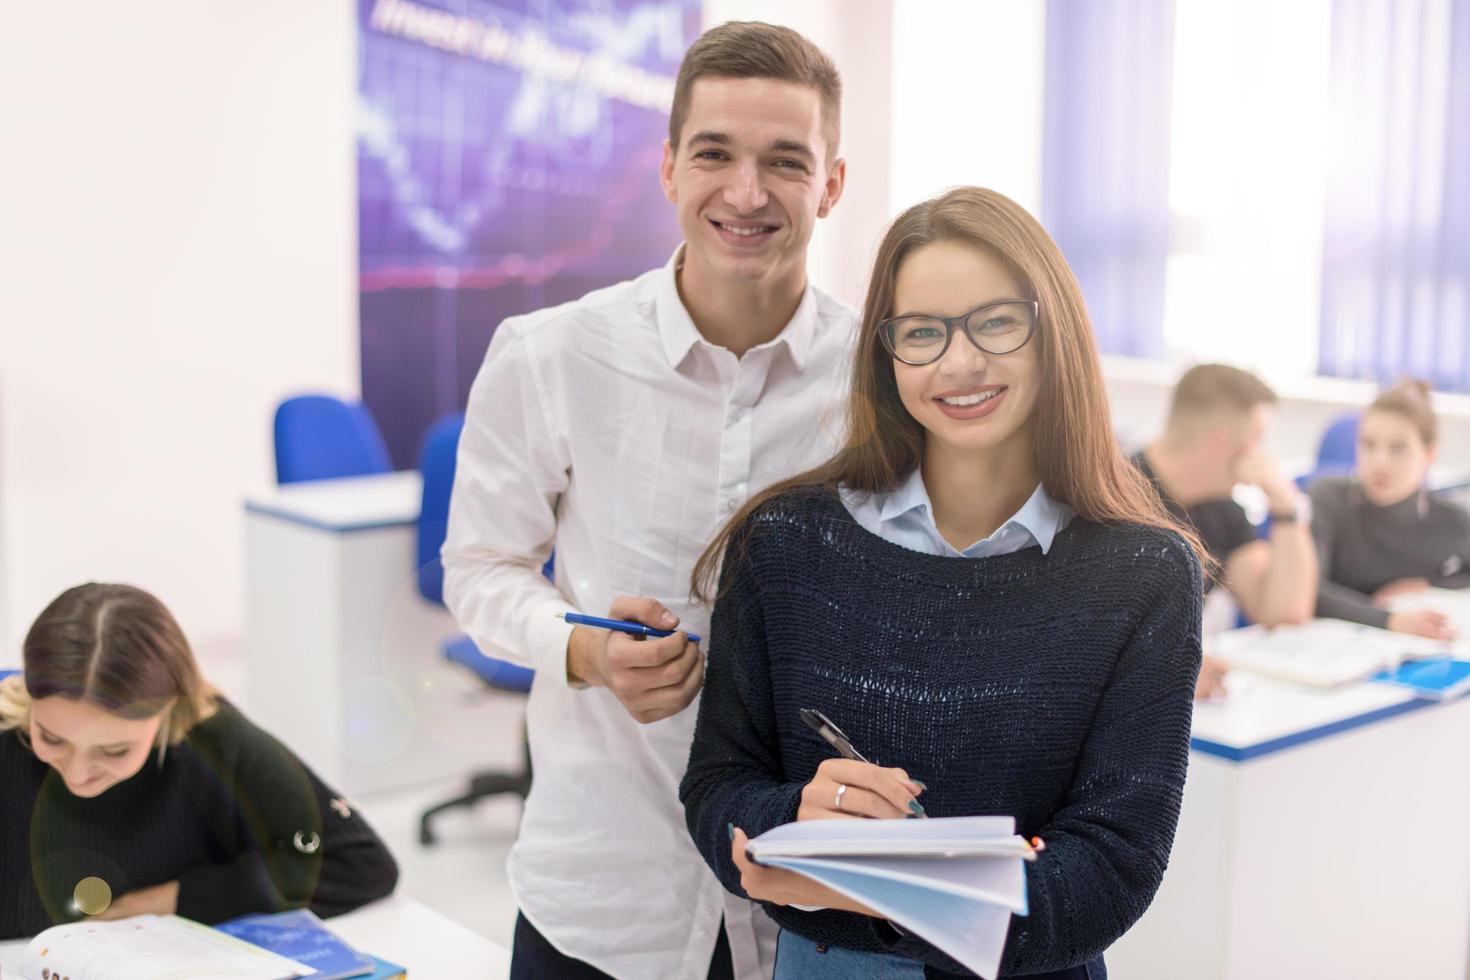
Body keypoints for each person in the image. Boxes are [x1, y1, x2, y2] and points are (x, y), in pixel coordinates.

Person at [680, 187, 1204, 979]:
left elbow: (1115, 865)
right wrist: (794, 817)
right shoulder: (784, 543)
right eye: (922, 332)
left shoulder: (1144, 574)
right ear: (887, 358)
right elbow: (720, 788)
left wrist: (868, 889)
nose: (959, 363)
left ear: (1050, 328)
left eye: (995, 322)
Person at [441, 22, 854, 980]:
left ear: (831, 184)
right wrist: (583, 650)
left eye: (785, 161)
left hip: (810, 903)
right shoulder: (548, 354)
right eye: (714, 154)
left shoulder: (878, 377)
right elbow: (478, 573)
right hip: (600, 894)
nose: (745, 193)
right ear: (668, 167)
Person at [0, 583, 397, 940]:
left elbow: (358, 862)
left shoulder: (212, 740)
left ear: (169, 707)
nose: (77, 772)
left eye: (115, 750)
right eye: (51, 737)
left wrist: (170, 899)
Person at [1133, 364, 1318, 698]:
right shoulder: (1114, 500)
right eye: (1257, 440)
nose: (1262, 455)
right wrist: (1168, 671)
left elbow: (1283, 613)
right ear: (1222, 441)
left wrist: (1286, 505)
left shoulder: (1222, 507)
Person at [1309, 379, 1469, 640]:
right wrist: (1391, 619)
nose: (1379, 463)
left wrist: (1431, 584)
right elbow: (1310, 591)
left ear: (1429, 455)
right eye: (1368, 445)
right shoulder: (1327, 498)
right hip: (1332, 643)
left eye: (1398, 449)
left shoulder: (1451, 519)